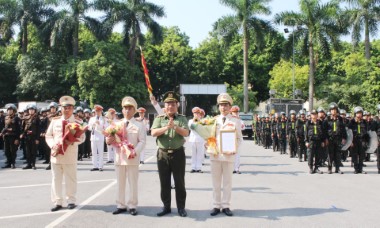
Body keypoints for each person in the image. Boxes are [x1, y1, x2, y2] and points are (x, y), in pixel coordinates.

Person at [151, 91, 190, 217]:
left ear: (177, 105)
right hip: (162, 154)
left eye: (173, 104)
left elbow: (186, 133)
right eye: (168, 104)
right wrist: (167, 128)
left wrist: (174, 127)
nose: (170, 106)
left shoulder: (182, 118)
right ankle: (166, 206)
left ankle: (181, 208)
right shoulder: (159, 118)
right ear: (165, 106)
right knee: (164, 182)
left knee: (179, 182)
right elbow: (153, 133)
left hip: (178, 153)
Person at [45, 96, 86, 211]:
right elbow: (48, 135)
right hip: (56, 154)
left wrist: (73, 141)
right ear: (61, 108)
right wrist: (53, 145)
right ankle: (57, 201)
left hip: (70, 154)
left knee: (71, 179)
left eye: (69, 107)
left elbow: (82, 137)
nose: (67, 110)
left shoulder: (78, 122)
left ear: (73, 109)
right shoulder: (55, 121)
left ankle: (71, 200)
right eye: (64, 107)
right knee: (56, 179)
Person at [107, 97, 146, 216]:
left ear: (134, 110)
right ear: (122, 110)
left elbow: (142, 141)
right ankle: (121, 205)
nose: (127, 110)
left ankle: (132, 205)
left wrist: (135, 151)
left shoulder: (139, 125)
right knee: (120, 183)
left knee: (133, 183)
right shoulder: (117, 124)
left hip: (132, 158)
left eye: (130, 108)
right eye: (125, 108)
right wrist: (109, 140)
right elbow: (109, 140)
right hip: (119, 158)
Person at [209, 93, 243, 217]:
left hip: (229, 156)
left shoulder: (235, 121)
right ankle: (216, 205)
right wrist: (208, 144)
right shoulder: (213, 120)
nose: (223, 107)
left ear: (230, 106)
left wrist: (234, 149)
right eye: (221, 105)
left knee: (228, 182)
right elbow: (210, 137)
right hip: (215, 155)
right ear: (218, 107)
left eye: (226, 105)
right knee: (216, 183)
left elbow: (239, 139)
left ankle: (226, 205)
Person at [325, 103, 347, 174]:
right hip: (330, 139)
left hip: (338, 139)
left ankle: (337, 168)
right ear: (330, 111)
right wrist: (325, 139)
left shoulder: (340, 119)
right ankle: (329, 168)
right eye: (332, 110)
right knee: (330, 154)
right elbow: (324, 130)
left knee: (338, 154)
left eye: (335, 110)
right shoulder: (327, 119)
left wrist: (344, 137)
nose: (333, 111)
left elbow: (343, 129)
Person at [348, 106, 369, 174]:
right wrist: (350, 141)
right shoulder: (351, 122)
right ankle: (356, 169)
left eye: (360, 113)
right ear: (355, 114)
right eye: (357, 113)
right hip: (354, 140)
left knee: (362, 155)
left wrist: (367, 141)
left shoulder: (365, 122)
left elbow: (368, 131)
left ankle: (361, 168)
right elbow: (349, 132)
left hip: (362, 140)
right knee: (354, 155)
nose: (359, 114)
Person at [305, 110, 325, 174]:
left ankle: (316, 168)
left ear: (317, 115)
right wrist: (306, 141)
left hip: (318, 141)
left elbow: (322, 133)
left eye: (315, 114)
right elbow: (305, 133)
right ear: (311, 115)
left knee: (318, 155)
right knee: (310, 155)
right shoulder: (308, 123)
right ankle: (311, 168)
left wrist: (322, 141)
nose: (314, 115)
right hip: (311, 141)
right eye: (312, 114)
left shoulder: (320, 123)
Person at [88, 105, 108, 171]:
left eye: (99, 111)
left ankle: (100, 166)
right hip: (93, 137)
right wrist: (93, 125)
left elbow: (106, 128)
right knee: (93, 152)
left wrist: (99, 125)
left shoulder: (104, 119)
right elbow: (89, 127)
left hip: (100, 137)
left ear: (101, 111)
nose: (97, 112)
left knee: (100, 152)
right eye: (96, 111)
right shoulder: (92, 119)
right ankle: (95, 166)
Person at [21, 104, 40, 170]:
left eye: (32, 110)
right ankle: (28, 164)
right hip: (27, 136)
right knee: (27, 151)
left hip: (34, 137)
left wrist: (37, 138)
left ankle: (33, 164)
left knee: (33, 151)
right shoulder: (26, 118)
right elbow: (23, 128)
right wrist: (22, 134)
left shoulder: (37, 118)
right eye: (30, 110)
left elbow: (38, 129)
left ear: (35, 111)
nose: (31, 111)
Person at [1, 104, 20, 169]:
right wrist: (2, 133)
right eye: (8, 110)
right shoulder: (6, 118)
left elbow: (18, 129)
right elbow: (4, 127)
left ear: (14, 111)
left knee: (13, 151)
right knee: (6, 151)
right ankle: (9, 162)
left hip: (13, 137)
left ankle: (13, 163)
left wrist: (17, 138)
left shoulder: (16, 118)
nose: (9, 111)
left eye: (11, 110)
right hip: (6, 136)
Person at [188, 107, 205, 173]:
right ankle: (193, 167)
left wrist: (199, 121)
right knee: (193, 154)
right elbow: (192, 127)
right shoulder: (190, 121)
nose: (196, 114)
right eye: (195, 113)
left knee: (200, 154)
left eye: (198, 113)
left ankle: (199, 168)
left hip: (200, 139)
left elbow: (202, 129)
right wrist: (196, 121)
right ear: (193, 114)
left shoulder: (202, 121)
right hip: (193, 139)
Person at [231, 105, 244, 174]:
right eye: (234, 112)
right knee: (231, 154)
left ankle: (236, 169)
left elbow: (243, 127)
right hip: (231, 139)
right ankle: (232, 168)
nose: (235, 113)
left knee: (237, 154)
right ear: (231, 112)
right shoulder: (229, 120)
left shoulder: (240, 120)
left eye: (236, 112)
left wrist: (238, 120)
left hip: (238, 139)